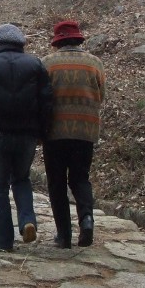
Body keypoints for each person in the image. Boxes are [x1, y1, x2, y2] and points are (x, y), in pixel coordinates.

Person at [0, 23, 53, 252]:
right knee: (22, 179)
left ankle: (3, 242)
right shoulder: (35, 64)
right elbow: (46, 101)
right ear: (20, 42)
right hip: (28, 134)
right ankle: (27, 220)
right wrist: (43, 132)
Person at [41, 20, 106, 249]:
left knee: (56, 182)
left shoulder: (47, 64)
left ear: (57, 41)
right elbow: (101, 95)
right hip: (85, 130)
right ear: (78, 39)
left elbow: (41, 97)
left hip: (55, 132)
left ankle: (64, 235)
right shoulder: (95, 63)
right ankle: (86, 220)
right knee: (80, 178)